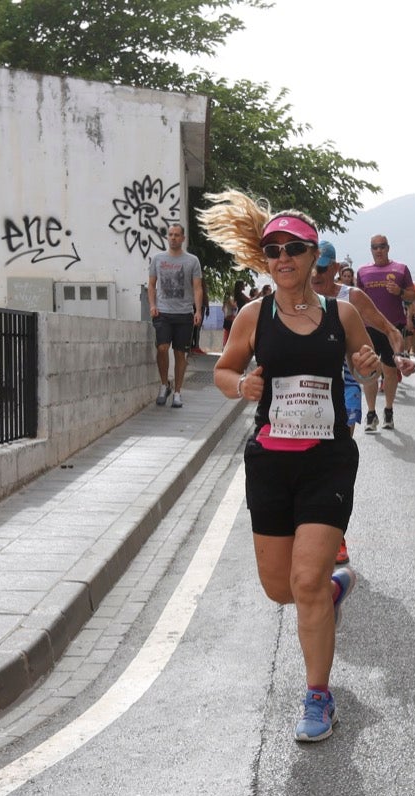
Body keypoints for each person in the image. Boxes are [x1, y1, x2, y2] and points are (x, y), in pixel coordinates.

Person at [199, 192, 382, 742]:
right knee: (281, 589)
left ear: (312, 257)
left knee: (305, 581)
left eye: (295, 249)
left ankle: (317, 696)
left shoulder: (341, 313)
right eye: (273, 249)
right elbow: (224, 372)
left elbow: (363, 367)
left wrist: (368, 366)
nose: (284, 257)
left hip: (328, 460)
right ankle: (332, 591)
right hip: (270, 465)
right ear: (264, 258)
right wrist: (241, 385)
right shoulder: (253, 317)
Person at [311, 239, 415, 565]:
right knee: (310, 467)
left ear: (333, 268)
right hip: (307, 395)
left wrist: (396, 356)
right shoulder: (294, 297)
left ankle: (337, 536)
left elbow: (385, 328)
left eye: (323, 268)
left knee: (336, 462)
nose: (316, 275)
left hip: (345, 388)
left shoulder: (350, 297)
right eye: (313, 267)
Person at [354, 234, 415, 432]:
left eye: (382, 246)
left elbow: (412, 295)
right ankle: (371, 414)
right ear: (370, 250)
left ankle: (388, 410)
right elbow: (357, 299)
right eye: (374, 247)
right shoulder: (363, 271)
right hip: (368, 328)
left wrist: (399, 291)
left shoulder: (400, 269)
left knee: (390, 371)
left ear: (388, 248)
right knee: (369, 371)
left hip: (392, 328)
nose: (378, 250)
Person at [147, 222, 204, 409]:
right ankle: (164, 385)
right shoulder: (157, 259)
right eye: (170, 235)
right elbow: (151, 285)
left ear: (183, 238)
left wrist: (198, 311)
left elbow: (197, 288)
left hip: (184, 314)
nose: (173, 238)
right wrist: (153, 305)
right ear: (167, 237)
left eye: (177, 235)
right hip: (163, 312)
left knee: (181, 354)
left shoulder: (192, 261)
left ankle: (178, 392)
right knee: (162, 348)